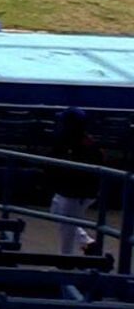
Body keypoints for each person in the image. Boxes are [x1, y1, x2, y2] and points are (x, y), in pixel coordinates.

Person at [49, 108, 104, 256]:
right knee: (55, 211)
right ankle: (87, 242)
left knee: (66, 228)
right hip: (69, 191)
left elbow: (84, 172)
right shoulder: (69, 140)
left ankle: (65, 264)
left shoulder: (85, 145)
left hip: (76, 194)